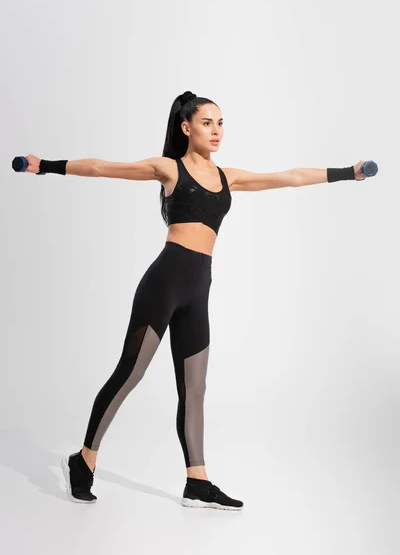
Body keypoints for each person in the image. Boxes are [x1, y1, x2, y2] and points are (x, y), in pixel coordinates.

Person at [21, 90, 369, 510]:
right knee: (130, 374)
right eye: (208, 123)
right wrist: (45, 167)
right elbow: (100, 167)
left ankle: (197, 481)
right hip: (163, 283)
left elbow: (290, 176)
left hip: (197, 291)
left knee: (195, 389)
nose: (217, 130)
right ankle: (84, 460)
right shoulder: (169, 169)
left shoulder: (229, 177)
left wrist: (348, 173)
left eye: (221, 123)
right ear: (187, 128)